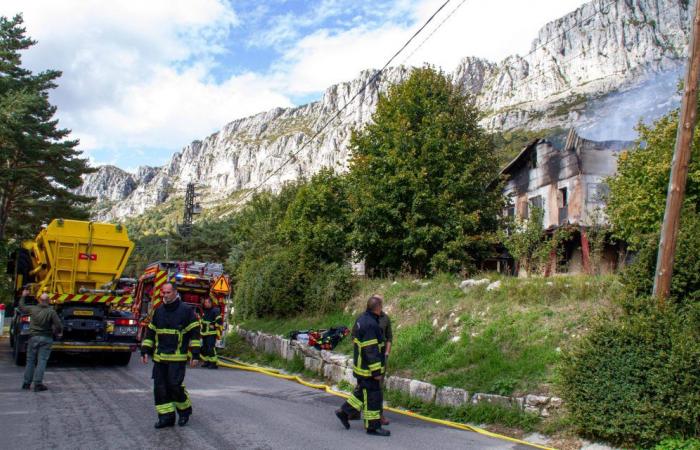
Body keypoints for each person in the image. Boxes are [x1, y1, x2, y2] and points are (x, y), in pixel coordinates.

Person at [141, 283, 201, 429]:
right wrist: (145, 350)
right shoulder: (159, 311)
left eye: (168, 292)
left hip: (177, 358)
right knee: (160, 388)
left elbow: (195, 334)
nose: (165, 295)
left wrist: (195, 355)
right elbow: (151, 332)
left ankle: (185, 411)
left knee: (174, 386)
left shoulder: (186, 311)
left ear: (175, 292)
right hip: (160, 358)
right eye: (163, 293)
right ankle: (166, 418)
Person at [335, 295, 390, 437]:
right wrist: (376, 371)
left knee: (361, 393)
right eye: (381, 306)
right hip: (369, 369)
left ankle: (343, 412)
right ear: (378, 308)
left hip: (362, 366)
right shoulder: (371, 325)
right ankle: (373, 427)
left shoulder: (361, 319)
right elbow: (371, 350)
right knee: (373, 396)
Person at [18, 289, 62, 392]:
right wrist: (58, 332)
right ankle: (38, 384)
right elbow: (58, 325)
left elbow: (21, 307)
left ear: (39, 300)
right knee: (42, 361)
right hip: (46, 339)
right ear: (49, 301)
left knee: (30, 361)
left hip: (33, 338)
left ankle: (26, 383)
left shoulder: (32, 309)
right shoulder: (51, 312)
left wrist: (23, 296)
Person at [377, 299, 392, 426]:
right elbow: (354, 337)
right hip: (366, 360)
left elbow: (389, 337)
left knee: (379, 387)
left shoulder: (385, 319)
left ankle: (379, 415)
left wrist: (386, 353)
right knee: (363, 386)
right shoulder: (363, 319)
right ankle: (351, 410)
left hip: (380, 358)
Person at [199, 297, 222, 369]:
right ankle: (207, 361)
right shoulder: (205, 310)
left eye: (206, 302)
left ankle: (213, 363)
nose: (205, 304)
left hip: (211, 333)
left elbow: (219, 320)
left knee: (210, 348)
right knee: (205, 348)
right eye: (204, 303)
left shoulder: (215, 310)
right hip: (204, 333)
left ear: (210, 303)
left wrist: (214, 326)